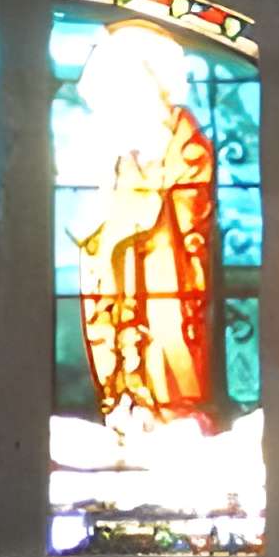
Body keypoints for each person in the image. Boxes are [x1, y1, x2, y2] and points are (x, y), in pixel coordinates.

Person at [61, 24, 217, 428]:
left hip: (164, 260)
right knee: (111, 324)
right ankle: (120, 397)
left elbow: (190, 204)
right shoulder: (106, 139)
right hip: (112, 257)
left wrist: (149, 191)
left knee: (165, 328)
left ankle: (170, 407)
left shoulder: (184, 138)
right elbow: (83, 206)